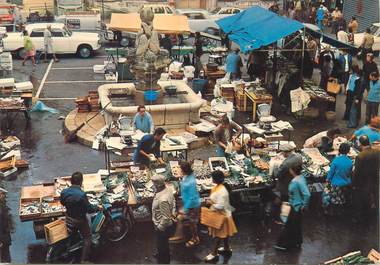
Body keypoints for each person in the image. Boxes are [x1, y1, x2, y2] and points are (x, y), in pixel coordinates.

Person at [60, 172, 99, 263]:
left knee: (72, 234)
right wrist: (96, 207)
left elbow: (62, 202)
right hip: (79, 220)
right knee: (87, 238)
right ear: (81, 182)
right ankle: (84, 260)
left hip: (68, 218)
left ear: (71, 181)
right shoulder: (81, 195)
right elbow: (89, 209)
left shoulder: (64, 192)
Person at [274, 159, 310, 251]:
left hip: (296, 206)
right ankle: (297, 242)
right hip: (295, 205)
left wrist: (304, 205)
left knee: (290, 226)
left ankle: (286, 245)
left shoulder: (297, 181)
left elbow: (307, 194)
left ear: (292, 170)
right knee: (295, 226)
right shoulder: (301, 178)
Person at [204, 170, 237, 262]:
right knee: (224, 233)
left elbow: (221, 205)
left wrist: (210, 203)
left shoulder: (222, 190)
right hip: (223, 214)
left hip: (222, 216)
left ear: (215, 179)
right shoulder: (219, 187)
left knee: (218, 236)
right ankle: (226, 248)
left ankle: (213, 254)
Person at [352, 135, 380, 223]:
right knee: (374, 196)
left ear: (360, 144)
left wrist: (354, 184)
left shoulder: (360, 156)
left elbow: (357, 172)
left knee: (360, 199)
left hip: (363, 181)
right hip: (374, 178)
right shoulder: (377, 152)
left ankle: (359, 218)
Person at [151, 174, 176, 264]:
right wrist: (173, 212)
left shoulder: (163, 199)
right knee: (160, 242)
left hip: (163, 226)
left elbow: (165, 217)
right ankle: (160, 254)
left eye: (153, 184)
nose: (153, 186)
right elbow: (174, 201)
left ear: (157, 185)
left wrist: (160, 227)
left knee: (162, 244)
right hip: (162, 222)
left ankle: (164, 260)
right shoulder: (168, 190)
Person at [322, 143, 352, 214]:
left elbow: (330, 173)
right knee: (340, 195)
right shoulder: (350, 162)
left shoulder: (336, 160)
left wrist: (327, 180)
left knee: (325, 194)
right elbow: (349, 173)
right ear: (348, 151)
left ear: (339, 150)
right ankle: (340, 206)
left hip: (336, 184)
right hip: (346, 183)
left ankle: (327, 209)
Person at [177, 161, 201, 248]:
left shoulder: (190, 182)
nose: (179, 170)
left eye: (180, 169)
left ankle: (195, 238)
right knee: (186, 220)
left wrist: (185, 208)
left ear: (184, 170)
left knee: (192, 223)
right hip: (188, 203)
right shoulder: (188, 176)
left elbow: (192, 197)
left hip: (192, 205)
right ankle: (181, 235)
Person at [0, 188, 10, 263]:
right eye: (3, 195)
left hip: (5, 236)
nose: (4, 196)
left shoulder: (3, 205)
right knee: (5, 257)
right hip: (3, 238)